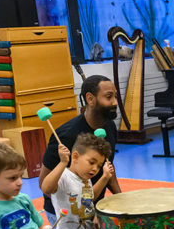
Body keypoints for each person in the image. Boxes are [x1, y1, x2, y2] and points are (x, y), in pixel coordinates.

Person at [40, 75, 120, 219]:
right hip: (64, 214)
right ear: (90, 99)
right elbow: (44, 183)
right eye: (109, 97)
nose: (115, 102)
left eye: (115, 96)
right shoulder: (66, 135)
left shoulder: (110, 126)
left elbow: (108, 166)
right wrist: (74, 209)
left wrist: (121, 198)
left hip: (91, 205)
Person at [40, 132, 114, 229]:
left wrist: (105, 177)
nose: (95, 169)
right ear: (75, 157)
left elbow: (89, 198)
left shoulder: (85, 178)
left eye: (99, 166)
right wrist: (63, 162)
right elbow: (46, 188)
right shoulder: (64, 176)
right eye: (92, 162)